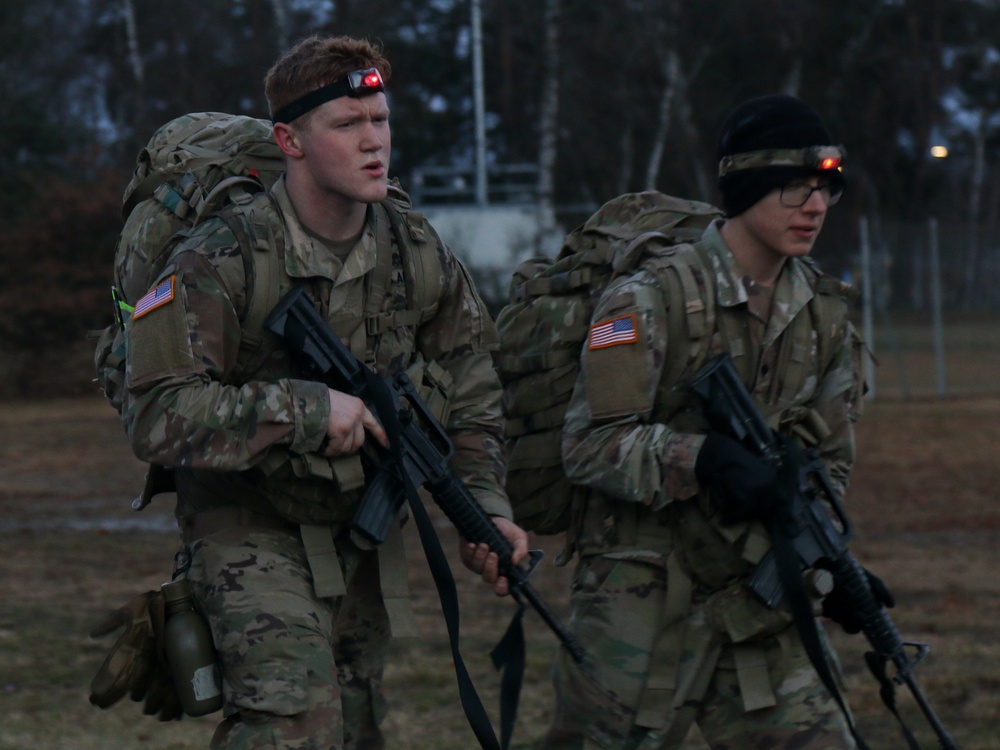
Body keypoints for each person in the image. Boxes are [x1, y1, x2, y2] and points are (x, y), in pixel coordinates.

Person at [120, 33, 528, 749]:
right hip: (247, 524)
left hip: (358, 526)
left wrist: (485, 512)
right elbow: (154, 412)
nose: (375, 143)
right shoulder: (223, 255)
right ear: (292, 141)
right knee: (292, 720)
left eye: (381, 121)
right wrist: (305, 409)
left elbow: (471, 387)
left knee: (354, 723)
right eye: (348, 125)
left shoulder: (414, 247)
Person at [538, 94, 888, 749]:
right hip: (640, 605)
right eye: (793, 188)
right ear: (744, 187)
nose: (814, 207)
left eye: (826, 191)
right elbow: (588, 445)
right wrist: (700, 457)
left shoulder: (825, 316)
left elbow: (831, 461)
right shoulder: (649, 298)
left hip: (758, 604)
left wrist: (826, 560)